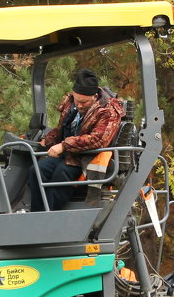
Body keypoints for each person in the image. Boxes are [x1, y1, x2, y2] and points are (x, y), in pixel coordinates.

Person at [29, 68, 123, 211]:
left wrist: (64, 145)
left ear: (94, 97)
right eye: (76, 100)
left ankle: (47, 217)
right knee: (36, 169)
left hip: (87, 157)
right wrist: (46, 141)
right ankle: (35, 214)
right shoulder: (71, 105)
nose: (79, 105)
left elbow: (98, 140)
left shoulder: (108, 111)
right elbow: (61, 129)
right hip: (67, 155)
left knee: (62, 173)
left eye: (84, 102)